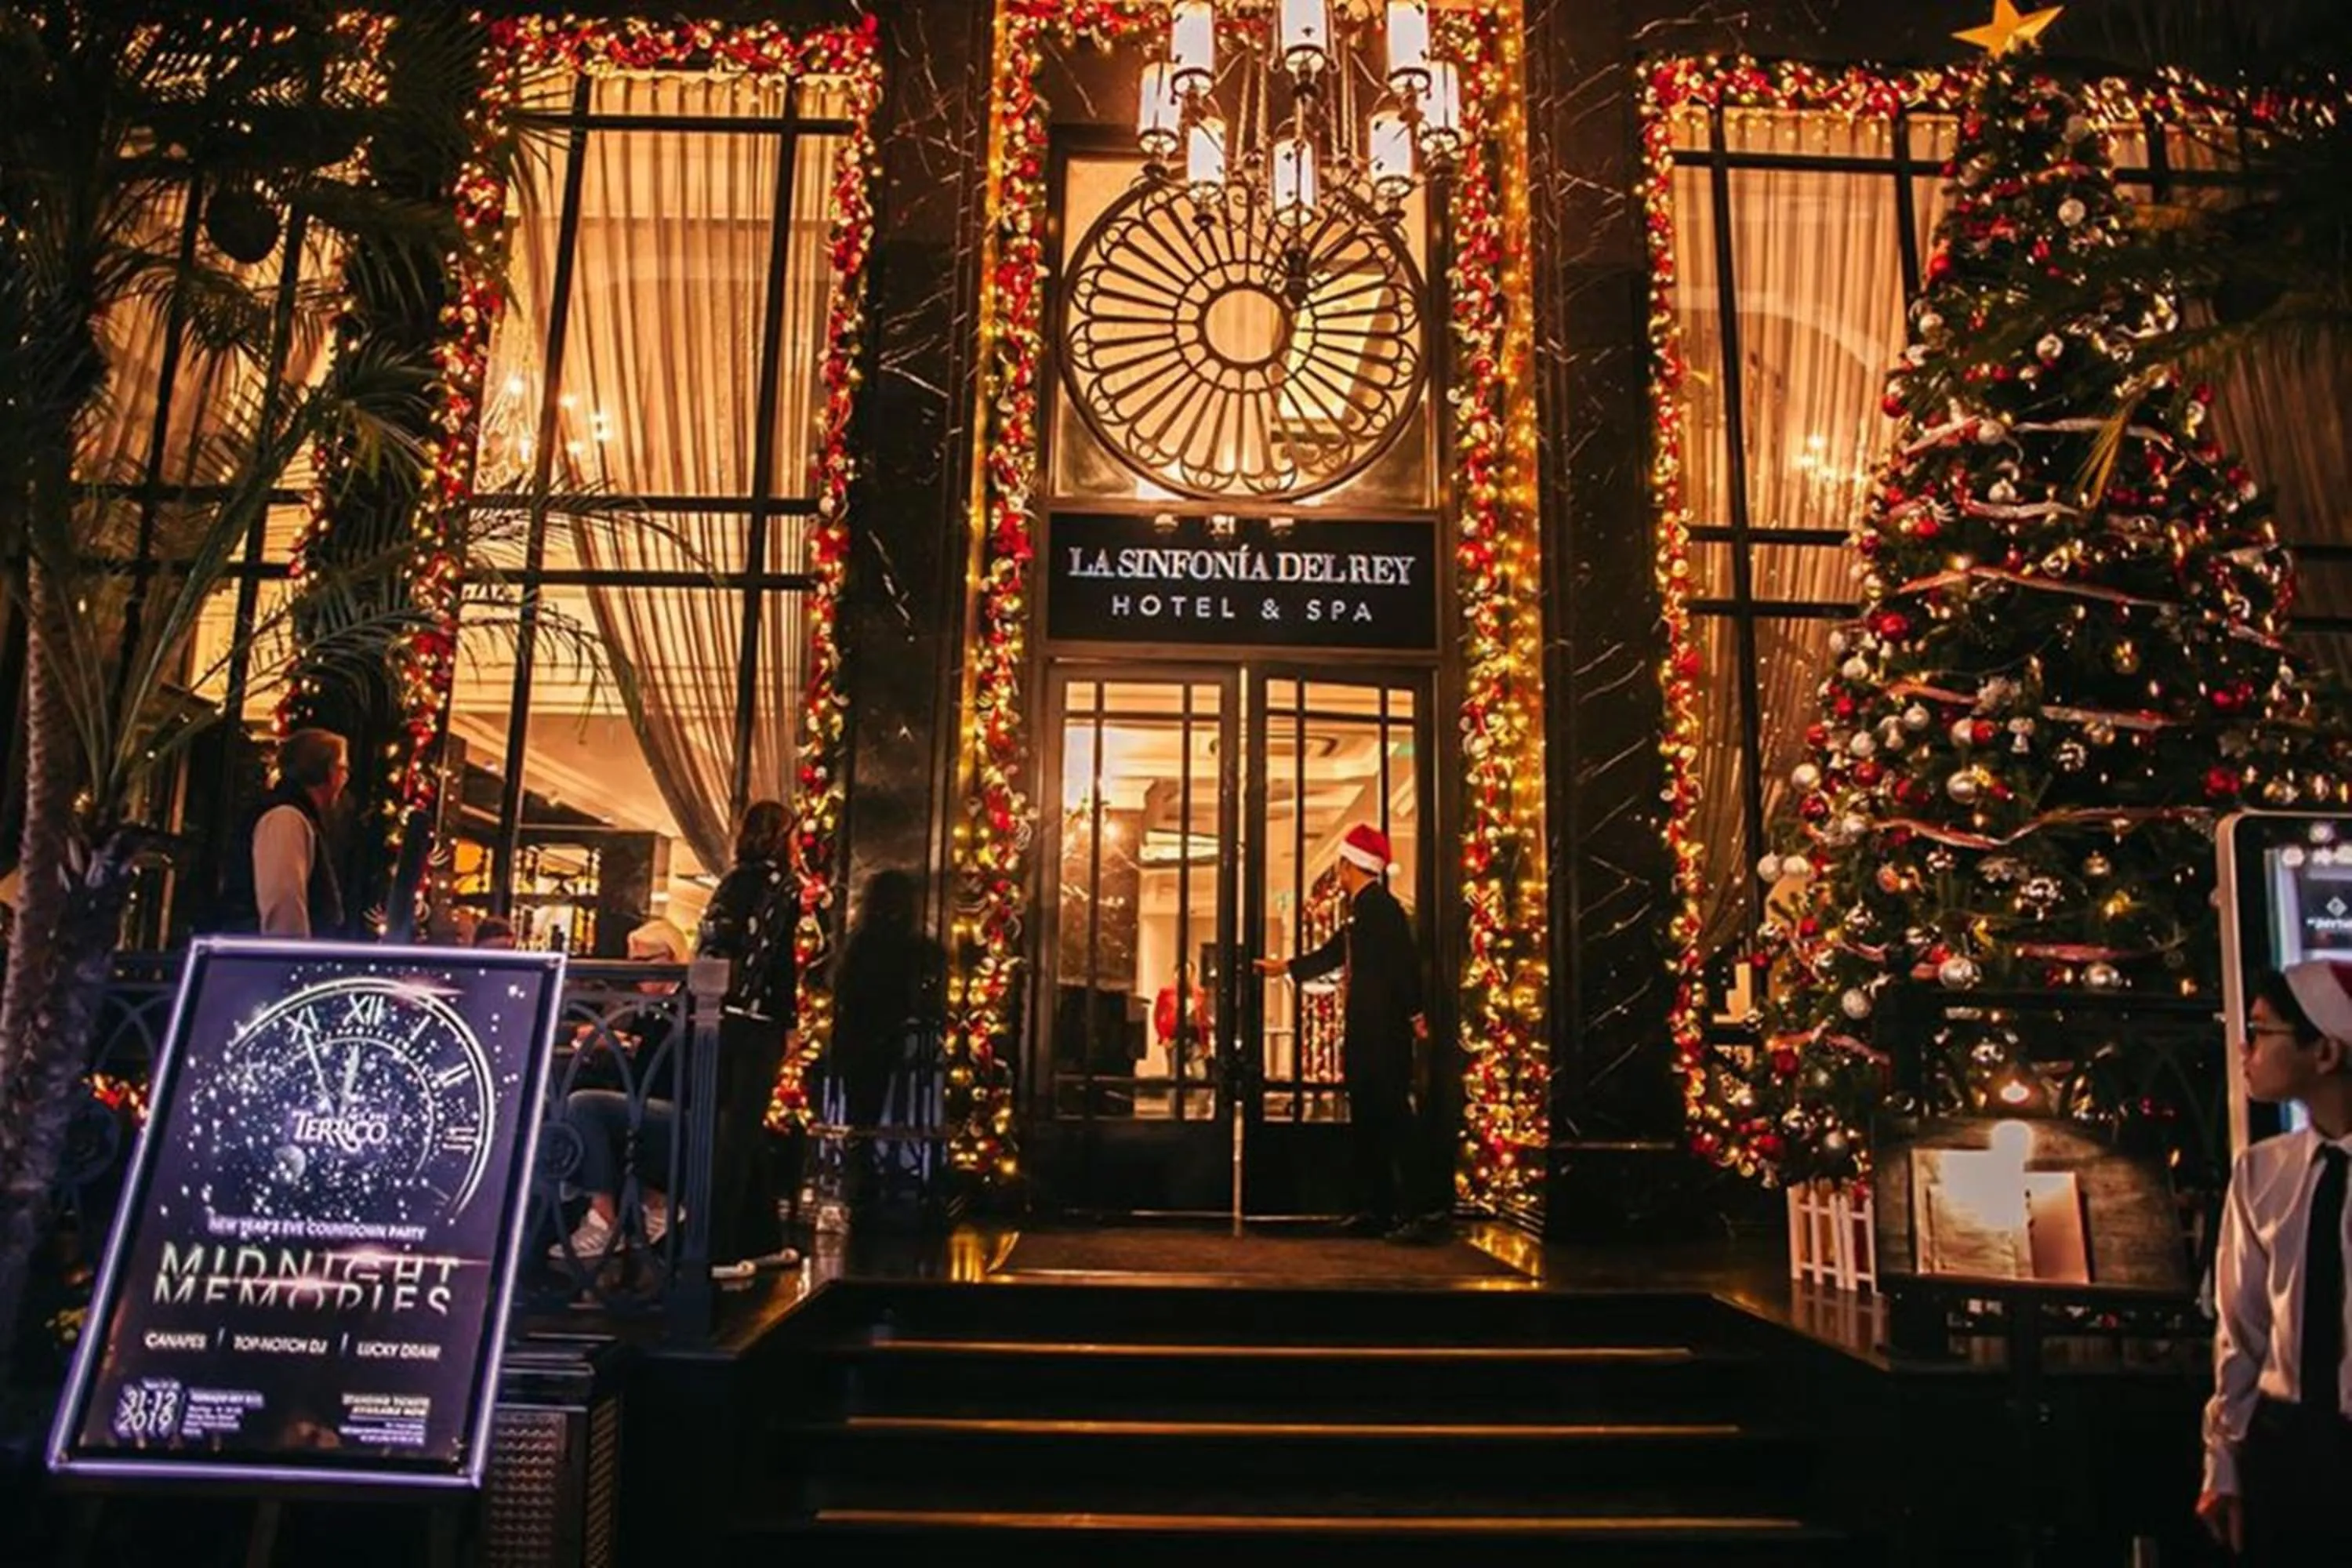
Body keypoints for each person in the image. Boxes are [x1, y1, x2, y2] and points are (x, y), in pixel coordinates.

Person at [2198, 960, 2352, 1562]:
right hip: (2285, 1442)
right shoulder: (2262, 1171)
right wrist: (2223, 1461)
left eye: (2263, 1032)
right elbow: (2242, 1328)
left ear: (2325, 1054)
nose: (2246, 1048)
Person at [1254, 822, 1436, 1243]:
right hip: (1370, 1033)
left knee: (1390, 1119)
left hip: (1382, 1036)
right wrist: (1287, 969)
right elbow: (1334, 953)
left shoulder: (1381, 910)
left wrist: (1414, 1014)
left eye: (1339, 863)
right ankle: (1377, 1210)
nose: (1336, 870)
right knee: (1370, 1122)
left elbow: (1403, 965)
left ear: (1348, 864)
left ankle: (1419, 1211)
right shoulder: (1365, 909)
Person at [696, 800, 801, 1278]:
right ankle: (715, 1249)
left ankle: (759, 1238)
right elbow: (779, 964)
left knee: (742, 1128)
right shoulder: (781, 887)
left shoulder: (732, 882)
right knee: (738, 1134)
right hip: (757, 1022)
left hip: (719, 1015)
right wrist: (790, 1022)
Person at [551, 919, 691, 1261]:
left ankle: (604, 1219)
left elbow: (676, 1068)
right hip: (652, 1099)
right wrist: (611, 1046)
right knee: (565, 1098)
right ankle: (631, 1204)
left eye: (644, 961)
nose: (635, 971)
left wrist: (625, 1045)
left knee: (584, 1105)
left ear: (670, 958)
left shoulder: (690, 1004)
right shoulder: (647, 1007)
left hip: (682, 1110)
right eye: (632, 962)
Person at [828, 869, 948, 1211]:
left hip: (860, 1039)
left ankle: (861, 1180)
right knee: (906, 1108)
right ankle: (892, 1177)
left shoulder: (859, 945)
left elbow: (845, 991)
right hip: (898, 1039)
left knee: (862, 1114)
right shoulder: (917, 948)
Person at [219, 728, 349, 938]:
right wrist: (292, 962)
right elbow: (284, 904)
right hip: (258, 966)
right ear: (329, 772)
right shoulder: (286, 816)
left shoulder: (293, 814)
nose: (345, 778)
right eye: (343, 769)